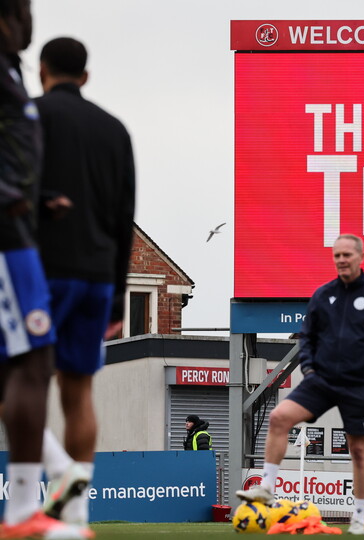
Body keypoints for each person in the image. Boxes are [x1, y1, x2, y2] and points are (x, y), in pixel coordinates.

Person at [32, 36, 136, 536]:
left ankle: (59, 475)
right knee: (79, 391)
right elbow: (125, 218)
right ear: (86, 76)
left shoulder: (31, 117)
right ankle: (76, 510)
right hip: (98, 277)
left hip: (42, 270)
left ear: (41, 71)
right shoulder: (115, 130)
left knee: (22, 379)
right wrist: (118, 293)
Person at [236, 234, 364, 535]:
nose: (341, 260)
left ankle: (360, 517)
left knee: (359, 450)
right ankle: (266, 488)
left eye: (347, 254)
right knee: (278, 417)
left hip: (359, 386)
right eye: (337, 255)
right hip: (321, 381)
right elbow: (306, 336)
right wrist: (309, 369)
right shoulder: (323, 295)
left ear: (361, 257)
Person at [0, 2, 82, 538]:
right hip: (8, 237)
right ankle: (24, 510)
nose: (30, 21)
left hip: (18, 228)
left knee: (18, 366)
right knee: (33, 361)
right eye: (22, 9)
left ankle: (55, 474)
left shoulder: (11, 70)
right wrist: (12, 199)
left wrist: (39, 195)